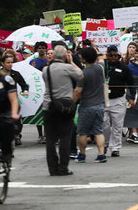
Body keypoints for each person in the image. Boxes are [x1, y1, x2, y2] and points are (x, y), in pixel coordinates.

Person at [42, 45, 82, 176]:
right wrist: (71, 62)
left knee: (50, 140)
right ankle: (63, 167)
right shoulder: (68, 68)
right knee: (65, 137)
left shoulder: (45, 70)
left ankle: (52, 168)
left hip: (49, 106)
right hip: (65, 106)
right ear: (65, 56)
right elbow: (81, 75)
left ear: (53, 55)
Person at [72, 46, 107, 163]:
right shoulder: (100, 68)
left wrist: (71, 102)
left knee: (82, 131)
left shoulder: (83, 74)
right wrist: (94, 48)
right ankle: (101, 154)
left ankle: (82, 154)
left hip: (86, 105)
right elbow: (101, 58)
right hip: (100, 105)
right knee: (98, 131)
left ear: (84, 59)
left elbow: (77, 91)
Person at [103, 45, 135, 157]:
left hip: (118, 99)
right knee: (104, 124)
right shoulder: (101, 66)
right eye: (110, 55)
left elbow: (131, 83)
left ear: (118, 55)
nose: (112, 57)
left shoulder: (124, 68)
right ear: (106, 54)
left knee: (117, 125)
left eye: (115, 55)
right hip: (103, 99)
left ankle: (115, 148)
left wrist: (132, 97)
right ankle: (105, 144)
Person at [1, 52, 28, 146]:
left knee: (17, 118)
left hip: (13, 101)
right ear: (2, 63)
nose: (10, 64)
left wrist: (25, 90)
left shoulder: (16, 74)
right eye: (7, 62)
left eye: (11, 62)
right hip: (0, 100)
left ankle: (17, 135)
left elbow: (24, 85)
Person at [30, 41, 49, 143]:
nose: (41, 50)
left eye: (43, 48)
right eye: (39, 48)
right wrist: (32, 68)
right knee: (37, 112)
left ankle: (46, 134)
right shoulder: (33, 61)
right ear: (36, 50)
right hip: (37, 89)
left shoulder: (49, 60)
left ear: (46, 49)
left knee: (46, 112)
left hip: (47, 88)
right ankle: (40, 135)